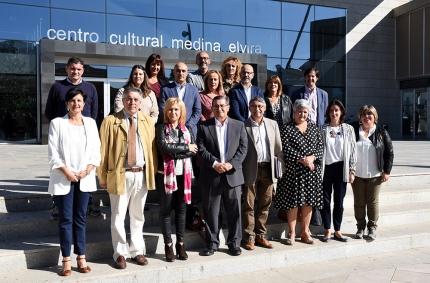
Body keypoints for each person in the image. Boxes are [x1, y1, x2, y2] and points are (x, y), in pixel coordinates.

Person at [97, 87, 157, 269]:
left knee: (138, 216)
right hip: (119, 174)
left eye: (136, 100)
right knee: (117, 216)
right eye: (129, 99)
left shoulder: (147, 121)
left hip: (141, 174)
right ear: (123, 101)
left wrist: (151, 173)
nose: (132, 102)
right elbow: (103, 151)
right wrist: (102, 176)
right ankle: (120, 253)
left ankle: (137, 251)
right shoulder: (110, 121)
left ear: (140, 102)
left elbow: (152, 149)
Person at [47, 88, 101, 276]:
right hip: (64, 177)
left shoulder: (91, 124)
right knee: (65, 219)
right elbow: (53, 154)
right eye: (72, 100)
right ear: (67, 103)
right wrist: (67, 172)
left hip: (84, 178)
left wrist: (87, 170)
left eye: (79, 100)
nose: (75, 104)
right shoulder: (57, 124)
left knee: (80, 218)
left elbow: (96, 152)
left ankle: (81, 257)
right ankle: (66, 259)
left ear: (84, 104)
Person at [44, 56, 100, 219]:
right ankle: (57, 205)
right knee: (62, 170)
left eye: (79, 69)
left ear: (83, 70)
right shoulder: (57, 87)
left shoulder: (90, 88)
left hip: (84, 133)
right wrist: (62, 126)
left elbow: (94, 111)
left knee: (85, 169)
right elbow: (49, 111)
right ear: (67, 69)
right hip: (64, 135)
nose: (76, 71)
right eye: (72, 68)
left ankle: (88, 203)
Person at [197, 95, 248, 257]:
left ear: (228, 107)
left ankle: (234, 243)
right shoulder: (204, 126)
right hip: (212, 175)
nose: (219, 109)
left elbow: (243, 149)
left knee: (234, 212)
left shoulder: (239, 125)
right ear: (211, 108)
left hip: (233, 175)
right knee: (211, 212)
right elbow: (201, 148)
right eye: (216, 106)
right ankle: (212, 243)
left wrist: (230, 164)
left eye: (222, 106)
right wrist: (214, 164)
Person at [274, 99, 323, 245]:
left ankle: (305, 232)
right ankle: (291, 232)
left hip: (311, 173)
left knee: (308, 202)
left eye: (305, 112)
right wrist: (303, 159)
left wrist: (312, 158)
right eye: (299, 111)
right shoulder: (286, 128)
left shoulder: (314, 128)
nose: (302, 114)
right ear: (294, 112)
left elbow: (320, 147)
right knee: (293, 203)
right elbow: (285, 149)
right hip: (293, 173)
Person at [155, 98, 198, 262]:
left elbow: (194, 151)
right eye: (170, 109)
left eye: (176, 110)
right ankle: (168, 245)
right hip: (165, 175)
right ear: (166, 111)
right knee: (165, 210)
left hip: (183, 175)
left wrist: (175, 152)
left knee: (181, 210)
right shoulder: (160, 128)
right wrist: (185, 148)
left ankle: (181, 243)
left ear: (181, 112)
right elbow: (163, 147)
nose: (173, 112)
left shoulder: (187, 129)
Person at [242, 96, 285, 250]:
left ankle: (261, 236)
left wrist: (280, 169)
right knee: (248, 205)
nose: (257, 109)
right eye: (254, 106)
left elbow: (278, 149)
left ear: (265, 108)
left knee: (265, 205)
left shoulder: (272, 124)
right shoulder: (243, 125)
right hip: (250, 170)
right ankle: (249, 238)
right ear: (249, 108)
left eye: (260, 106)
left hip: (268, 169)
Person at [351, 105, 394, 240]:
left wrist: (386, 171)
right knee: (359, 202)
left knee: (372, 202)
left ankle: (372, 228)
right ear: (360, 117)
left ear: (375, 117)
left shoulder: (381, 132)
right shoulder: (353, 130)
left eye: (370, 114)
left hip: (375, 175)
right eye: (364, 114)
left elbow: (389, 152)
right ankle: (360, 227)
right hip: (357, 174)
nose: (367, 116)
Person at [320, 100, 357, 242]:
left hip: (342, 168)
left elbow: (353, 151)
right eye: (331, 111)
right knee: (325, 200)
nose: (334, 113)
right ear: (328, 113)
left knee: (339, 202)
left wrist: (352, 170)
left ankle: (337, 230)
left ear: (341, 112)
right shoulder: (323, 129)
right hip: (326, 169)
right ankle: (327, 230)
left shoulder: (348, 129)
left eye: (336, 110)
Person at [158, 62, 201, 139]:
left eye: (183, 71)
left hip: (189, 130)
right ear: (174, 72)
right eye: (178, 71)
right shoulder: (165, 89)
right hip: (170, 130)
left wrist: (187, 126)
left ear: (187, 73)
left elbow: (197, 111)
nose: (181, 73)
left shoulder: (194, 90)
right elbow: (162, 109)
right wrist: (172, 124)